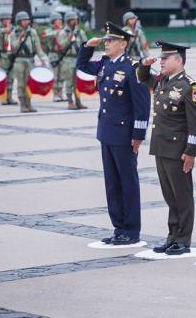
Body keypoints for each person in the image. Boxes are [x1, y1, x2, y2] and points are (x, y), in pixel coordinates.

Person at [79, 22, 152, 246]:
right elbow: (82, 66)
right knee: (112, 183)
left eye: (110, 41)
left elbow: (142, 105)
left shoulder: (133, 67)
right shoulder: (105, 64)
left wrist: (138, 136)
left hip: (124, 134)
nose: (106, 43)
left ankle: (131, 229)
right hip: (106, 132)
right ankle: (119, 227)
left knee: (127, 183)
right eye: (106, 40)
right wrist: (87, 46)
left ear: (123, 43)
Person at [137, 40, 196, 255]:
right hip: (161, 147)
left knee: (182, 196)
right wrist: (145, 65)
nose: (162, 61)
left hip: (178, 151)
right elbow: (142, 77)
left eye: (166, 58)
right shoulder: (162, 81)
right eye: (162, 57)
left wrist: (191, 152)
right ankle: (172, 236)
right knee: (169, 196)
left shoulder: (189, 86)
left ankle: (183, 240)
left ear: (179, 59)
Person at [10, 11, 48, 113]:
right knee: (21, 84)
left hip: (30, 60)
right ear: (18, 21)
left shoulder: (33, 32)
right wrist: (20, 38)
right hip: (19, 60)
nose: (26, 22)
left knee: (30, 83)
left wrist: (43, 59)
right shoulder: (14, 33)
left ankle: (29, 104)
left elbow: (38, 48)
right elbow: (12, 48)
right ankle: (22, 105)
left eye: (27, 20)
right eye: (24, 20)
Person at [57, 12, 88, 110]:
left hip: (78, 58)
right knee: (69, 81)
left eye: (76, 19)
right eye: (72, 20)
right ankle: (70, 101)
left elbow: (86, 44)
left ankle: (78, 101)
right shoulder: (62, 33)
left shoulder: (80, 32)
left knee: (78, 82)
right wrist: (68, 38)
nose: (75, 21)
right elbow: (61, 47)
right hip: (68, 59)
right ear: (68, 21)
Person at [0, 13, 18, 105]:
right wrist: (4, 30)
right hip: (2, 55)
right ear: (1, 20)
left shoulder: (13, 29)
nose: (8, 21)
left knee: (11, 77)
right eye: (5, 19)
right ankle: (3, 97)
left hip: (11, 54)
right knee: (3, 77)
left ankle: (9, 97)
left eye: (9, 19)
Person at [44, 13, 65, 102]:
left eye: (60, 20)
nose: (60, 22)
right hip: (53, 55)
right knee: (55, 76)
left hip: (62, 54)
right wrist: (59, 31)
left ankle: (60, 93)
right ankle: (55, 94)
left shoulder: (63, 30)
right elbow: (48, 35)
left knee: (62, 76)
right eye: (57, 21)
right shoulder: (48, 31)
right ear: (53, 22)